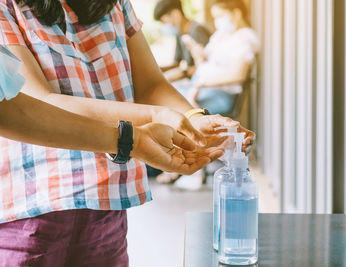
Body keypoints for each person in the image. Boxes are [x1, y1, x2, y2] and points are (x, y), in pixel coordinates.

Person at [0, 0, 254, 266]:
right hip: (34, 202)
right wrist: (157, 119)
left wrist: (192, 119)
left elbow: (151, 83)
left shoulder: (115, 4)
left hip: (108, 195)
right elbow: (36, 105)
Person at [156, 0, 260, 186]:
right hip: (202, 87)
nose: (218, 22)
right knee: (166, 99)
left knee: (173, 106)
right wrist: (196, 52)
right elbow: (206, 60)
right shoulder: (223, 35)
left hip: (218, 93)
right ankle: (173, 159)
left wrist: (201, 84)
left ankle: (177, 162)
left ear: (236, 13)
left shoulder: (244, 38)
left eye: (220, 16)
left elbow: (238, 74)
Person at [154, 0, 211, 82]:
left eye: (164, 21)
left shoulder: (197, 30)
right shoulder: (180, 33)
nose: (165, 26)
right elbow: (176, 62)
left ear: (175, 14)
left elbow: (208, 64)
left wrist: (183, 73)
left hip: (203, 81)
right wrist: (157, 70)